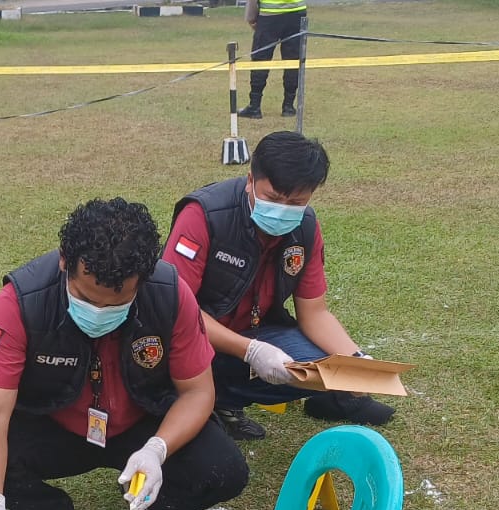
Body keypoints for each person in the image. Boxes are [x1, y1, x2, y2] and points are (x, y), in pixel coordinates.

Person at [0, 198, 249, 510]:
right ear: (63, 261)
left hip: (140, 422)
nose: (100, 311)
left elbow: (198, 392)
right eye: (86, 298)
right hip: (56, 426)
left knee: (223, 470)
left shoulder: (169, 293)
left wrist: (156, 449)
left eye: (118, 303)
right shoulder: (20, 302)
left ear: (144, 279)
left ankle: (146, 493)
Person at [163, 131, 395, 442]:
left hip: (258, 329)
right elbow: (176, 310)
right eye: (273, 198)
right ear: (250, 181)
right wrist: (252, 351)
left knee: (320, 365)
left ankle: (229, 402)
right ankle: (205, 401)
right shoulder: (204, 215)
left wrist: (356, 360)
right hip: (194, 334)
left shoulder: (306, 227)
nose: (284, 209)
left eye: (297, 201)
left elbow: (315, 314)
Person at [239, 0, 306, 119]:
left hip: (269, 15)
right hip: (297, 13)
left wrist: (251, 18)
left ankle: (255, 106)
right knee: (292, 61)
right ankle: (288, 106)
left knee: (260, 59)